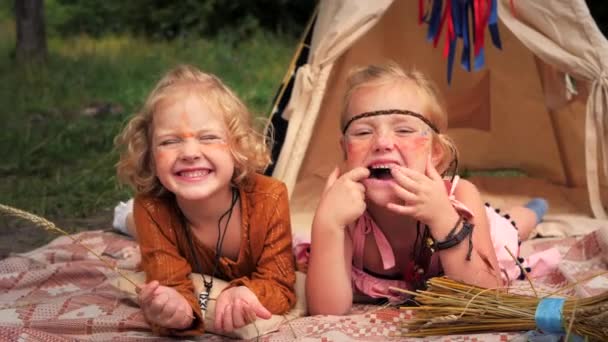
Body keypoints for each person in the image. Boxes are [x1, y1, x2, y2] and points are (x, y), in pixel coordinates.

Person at [304, 63, 555, 315]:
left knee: (511, 226)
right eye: (363, 131)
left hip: (474, 228)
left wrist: (443, 219)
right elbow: (327, 310)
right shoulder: (344, 214)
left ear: (435, 152)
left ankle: (536, 208)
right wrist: (328, 224)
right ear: (345, 150)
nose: (382, 142)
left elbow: (488, 296)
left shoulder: (461, 196)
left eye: (403, 130)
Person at [114, 64, 296, 336]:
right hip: (154, 217)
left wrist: (249, 293)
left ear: (237, 147)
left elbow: (280, 284)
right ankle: (124, 216)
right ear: (149, 154)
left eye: (208, 137)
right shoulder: (151, 208)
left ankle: (123, 219)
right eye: (169, 141)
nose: (189, 152)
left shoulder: (270, 197)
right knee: (136, 224)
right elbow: (170, 286)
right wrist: (176, 311)